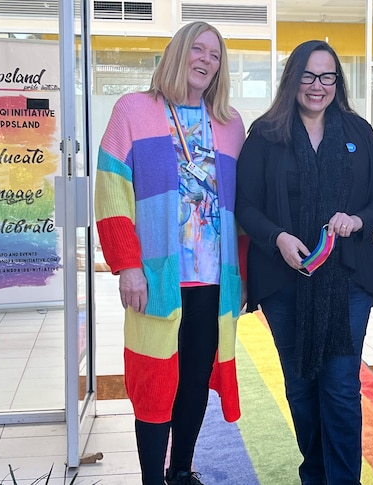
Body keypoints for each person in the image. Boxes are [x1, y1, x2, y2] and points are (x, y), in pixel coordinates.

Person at [93, 21, 246, 485]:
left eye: (215, 55)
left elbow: (243, 206)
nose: (206, 60)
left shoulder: (230, 122)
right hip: (158, 277)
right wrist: (127, 265)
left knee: (195, 383)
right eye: (197, 49)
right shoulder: (132, 111)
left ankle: (181, 471)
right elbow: (111, 190)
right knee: (155, 380)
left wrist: (244, 276)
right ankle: (151, 480)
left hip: (215, 279)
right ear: (177, 53)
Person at [235, 40, 373, 485]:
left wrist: (358, 219)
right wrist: (277, 237)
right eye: (308, 75)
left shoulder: (359, 133)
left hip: (348, 279)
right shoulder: (265, 135)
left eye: (327, 76)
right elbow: (245, 205)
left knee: (341, 388)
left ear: (337, 82)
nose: (317, 86)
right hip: (284, 282)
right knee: (302, 388)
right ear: (292, 79)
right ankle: (315, 475)